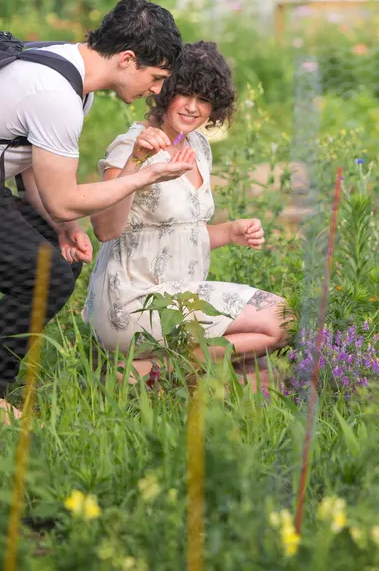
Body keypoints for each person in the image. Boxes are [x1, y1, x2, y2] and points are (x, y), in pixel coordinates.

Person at [0, 0, 194, 432]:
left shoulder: (68, 72)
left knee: (59, 259)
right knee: (46, 273)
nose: (156, 91)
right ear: (127, 59)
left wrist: (63, 229)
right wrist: (144, 177)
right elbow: (63, 197)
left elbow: (30, 171)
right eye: (155, 78)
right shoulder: (55, 96)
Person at [84, 41, 290, 391]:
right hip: (134, 303)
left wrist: (231, 231)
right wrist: (137, 163)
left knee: (270, 371)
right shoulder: (131, 146)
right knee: (282, 320)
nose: (194, 108)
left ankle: (148, 372)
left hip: (177, 297)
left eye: (205, 99)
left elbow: (177, 237)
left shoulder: (197, 145)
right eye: (185, 94)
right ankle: (144, 372)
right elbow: (105, 228)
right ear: (164, 91)